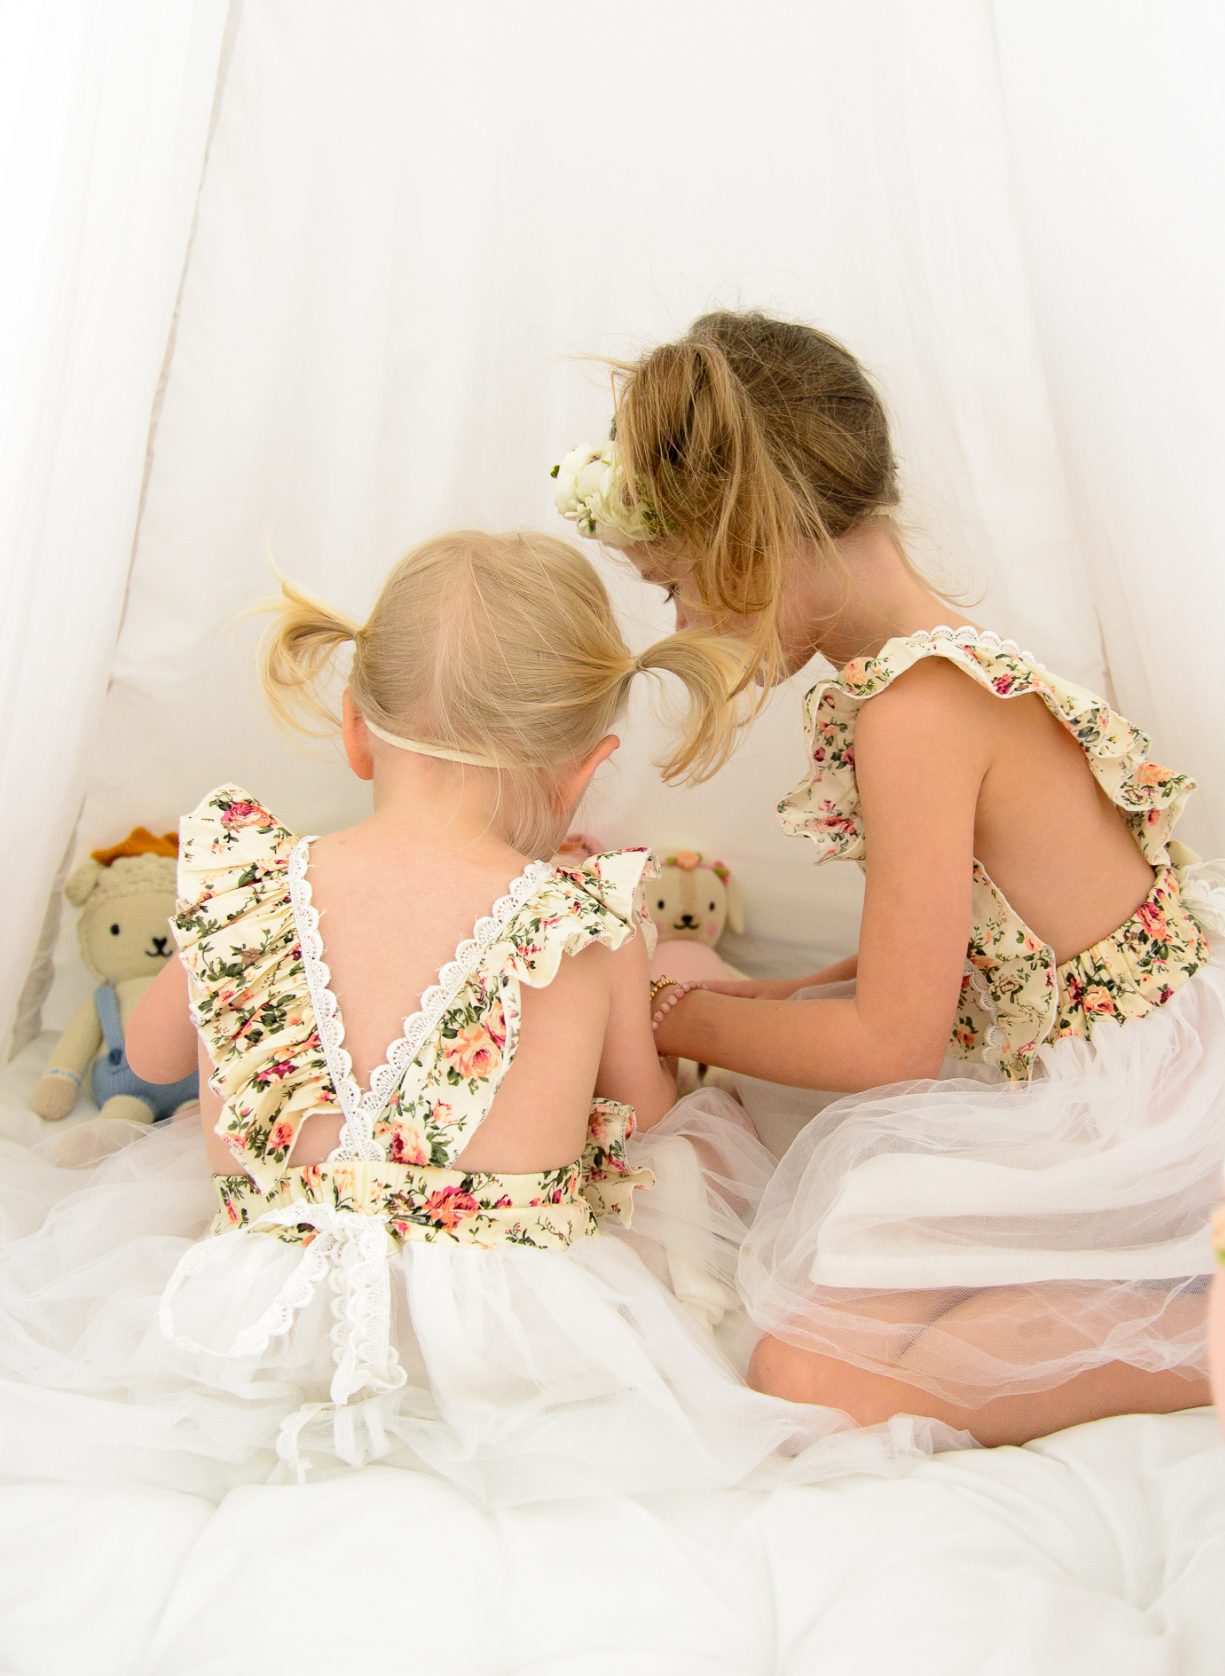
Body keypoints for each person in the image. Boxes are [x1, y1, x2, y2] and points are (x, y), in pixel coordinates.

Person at [0, 528, 950, 1501]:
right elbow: (644, 1114)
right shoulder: (582, 921)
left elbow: (155, 1056)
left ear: (356, 727)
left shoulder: (249, 884)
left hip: (259, 1315)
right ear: (584, 769)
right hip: (507, 1341)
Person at [552, 309, 1225, 1447]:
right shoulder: (928, 675)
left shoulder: (916, 710)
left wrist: (661, 1012)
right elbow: (972, 949)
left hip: (1136, 1116)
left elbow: (891, 1047)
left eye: (676, 581)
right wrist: (766, 999)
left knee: (808, 1372)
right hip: (1110, 1061)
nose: (681, 619)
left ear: (754, 534)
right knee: (781, 1187)